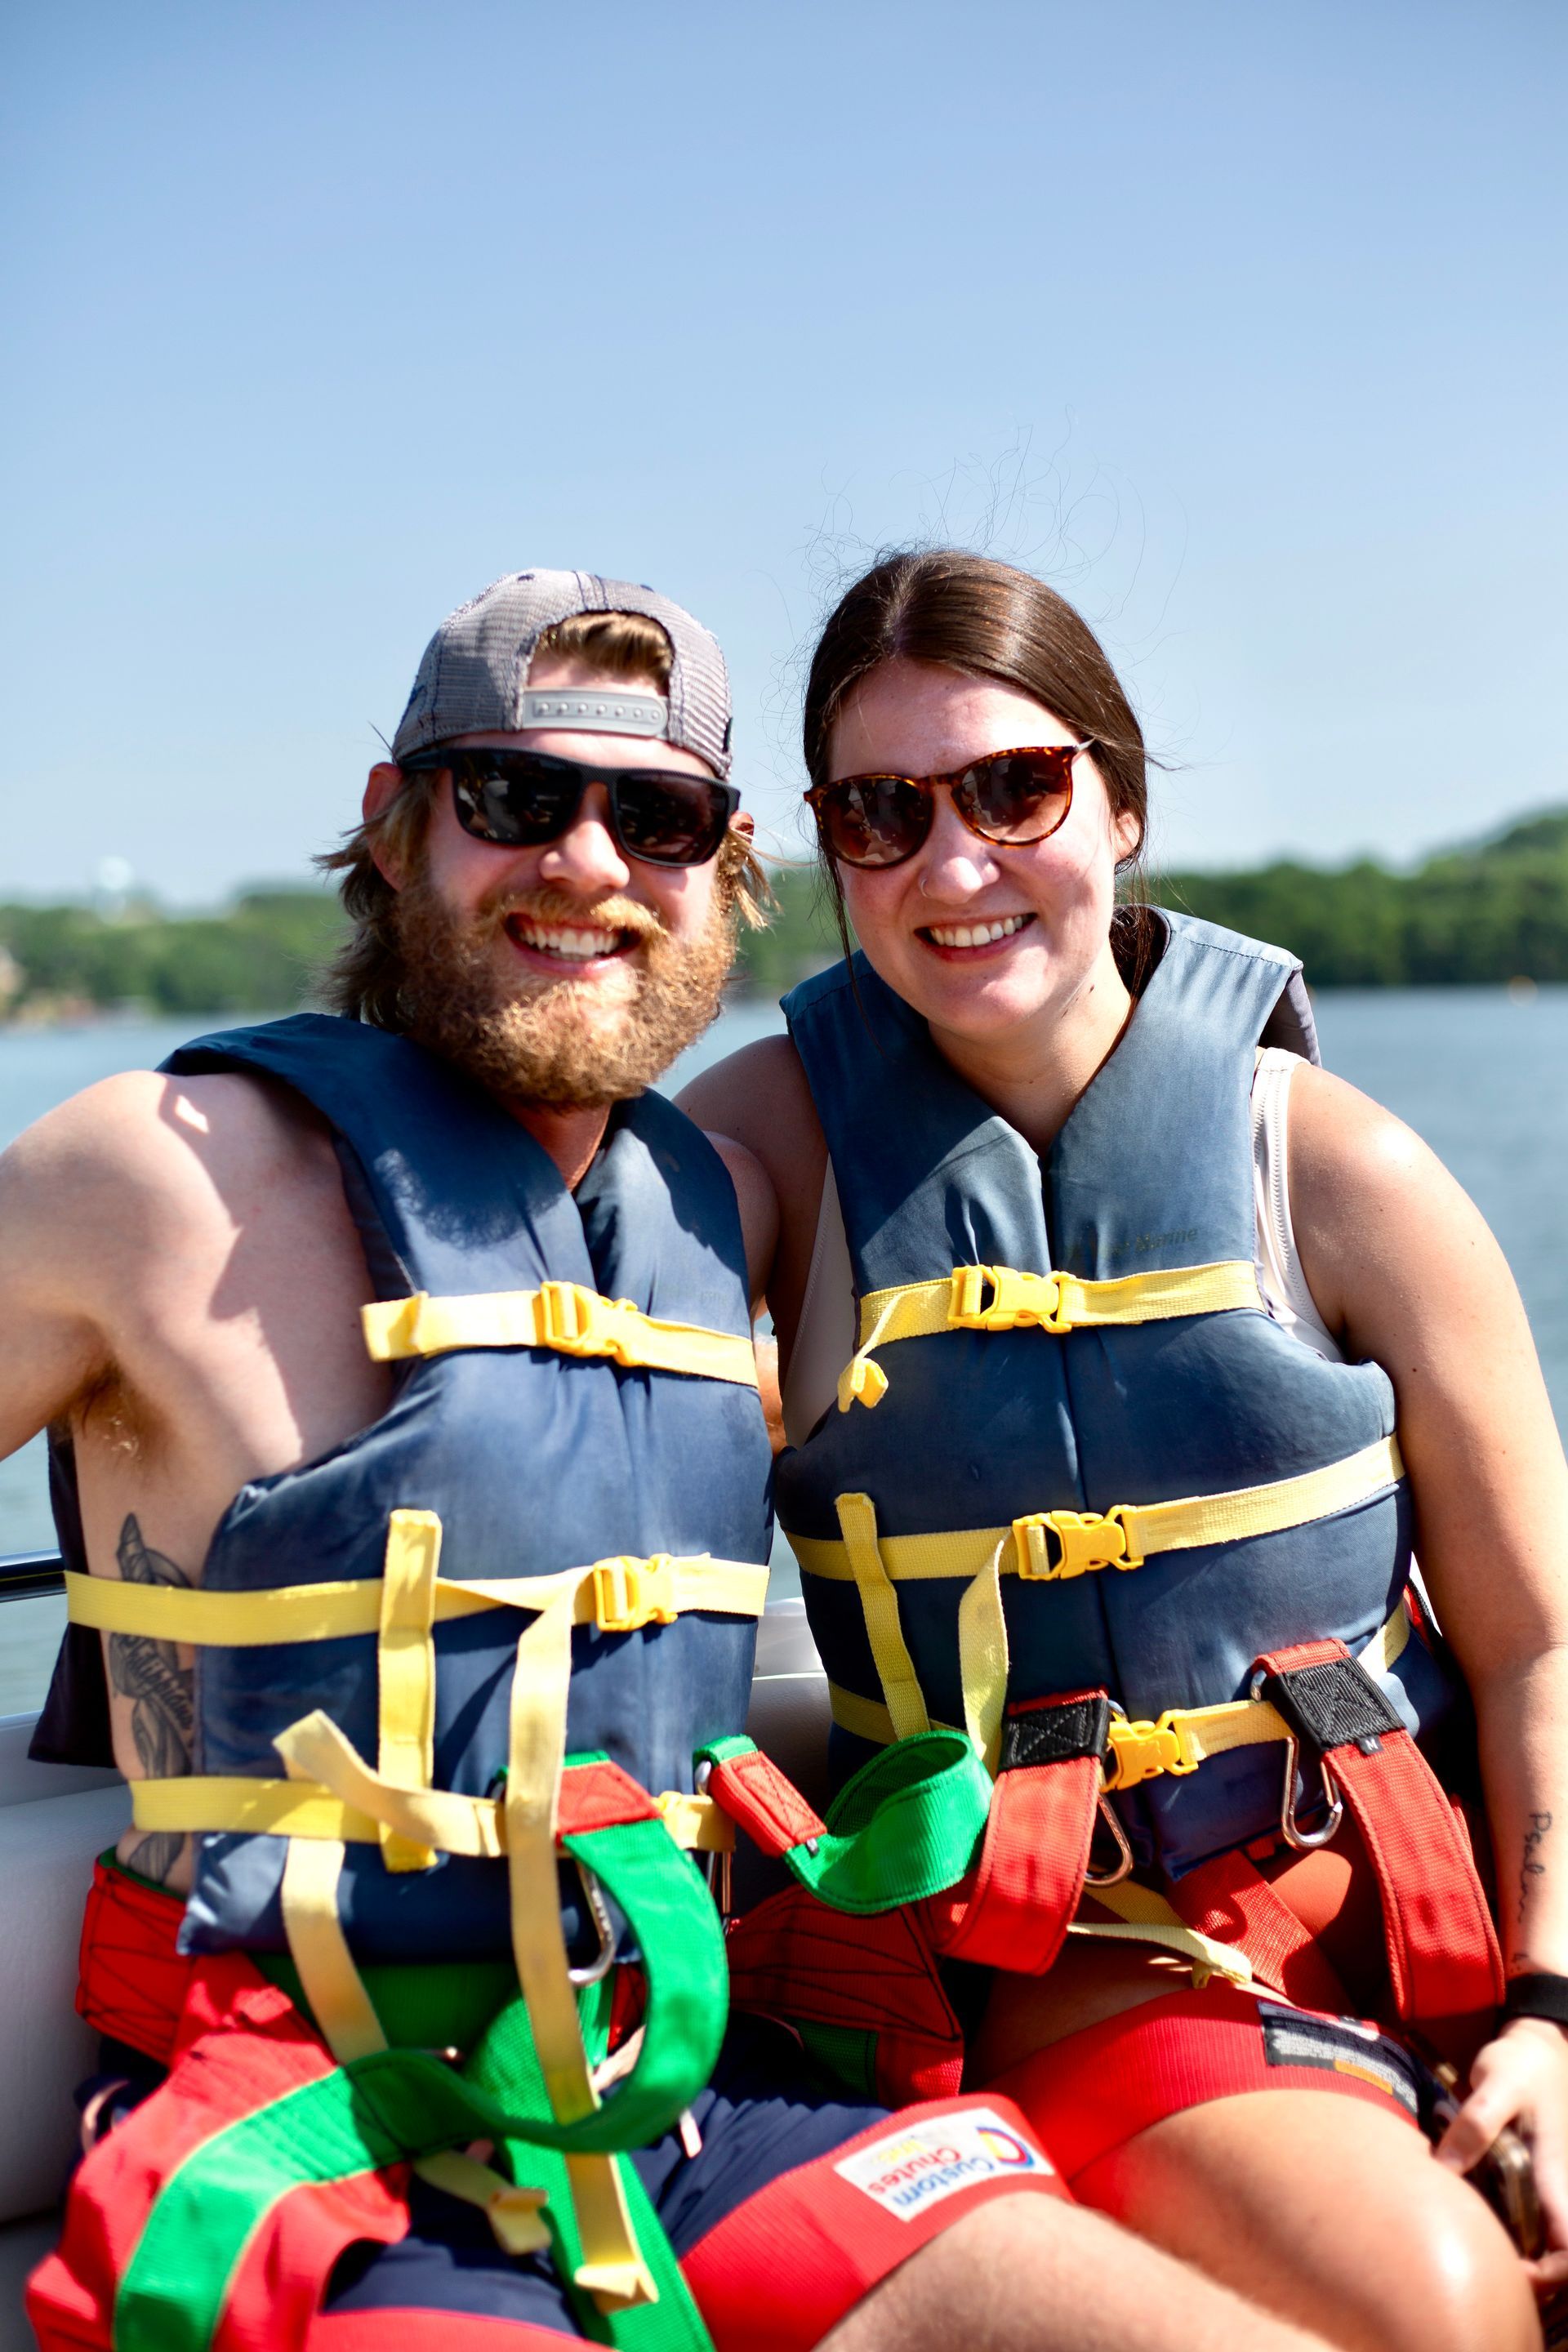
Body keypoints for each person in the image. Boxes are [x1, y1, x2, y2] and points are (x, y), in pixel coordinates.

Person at [0, 569, 1337, 2352]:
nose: (586, 861)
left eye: (659, 817)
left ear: (730, 878)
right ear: (394, 835)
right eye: (511, 800)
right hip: (319, 2137)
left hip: (690, 2109)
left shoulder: (717, 1220)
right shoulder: (149, 1175)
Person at [680, 548, 1568, 2352]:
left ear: (1123, 800)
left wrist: (1556, 2013)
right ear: (830, 851)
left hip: (1431, 1916)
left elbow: (1540, 1642)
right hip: (1085, 1949)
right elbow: (517, 1308)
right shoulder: (760, 1164)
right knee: (1440, 2302)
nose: (954, 863)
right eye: (882, 811)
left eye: (1016, 788)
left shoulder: (1337, 1168)